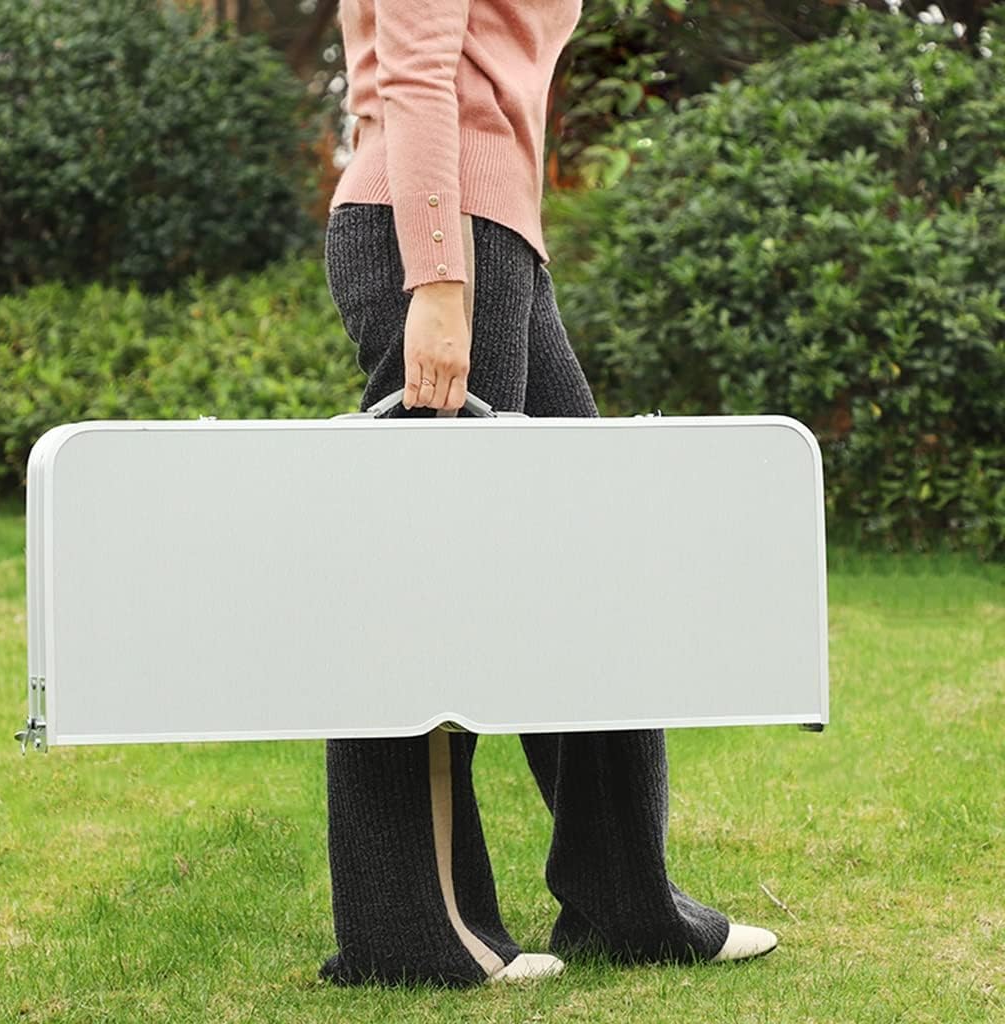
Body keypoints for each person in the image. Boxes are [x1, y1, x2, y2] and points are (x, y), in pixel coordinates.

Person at [319, 0, 778, 987]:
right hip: (436, 247)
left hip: (500, 241)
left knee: (591, 573)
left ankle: (625, 902)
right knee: (427, 593)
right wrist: (440, 281)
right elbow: (416, 71)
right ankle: (410, 929)